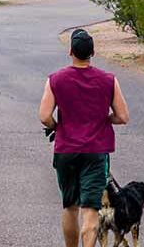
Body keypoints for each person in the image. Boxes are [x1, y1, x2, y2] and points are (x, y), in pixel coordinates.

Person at [39, 29, 129, 247]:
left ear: (70, 51)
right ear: (93, 53)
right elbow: (123, 116)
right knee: (91, 209)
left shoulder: (55, 80)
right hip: (96, 152)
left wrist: (57, 127)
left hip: (66, 150)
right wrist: (105, 119)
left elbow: (44, 116)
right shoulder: (108, 80)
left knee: (70, 206)